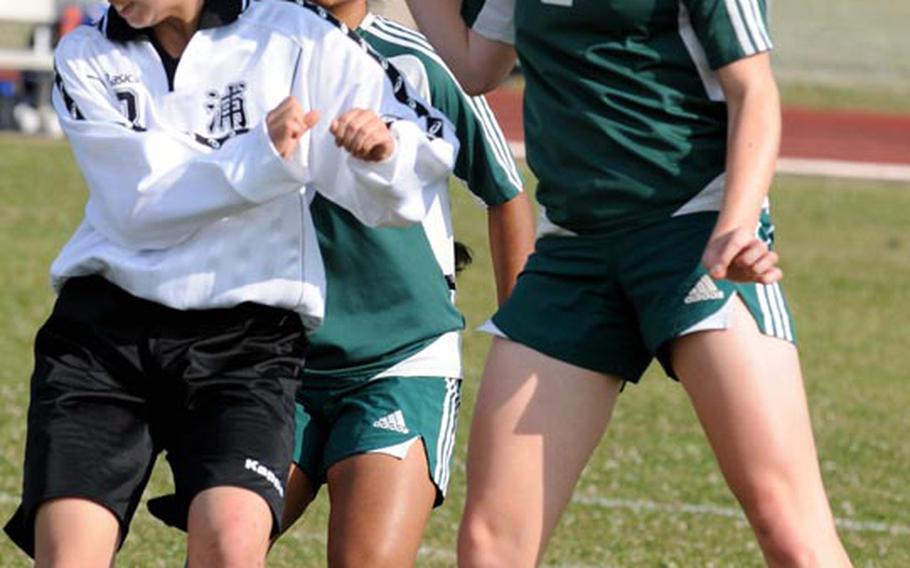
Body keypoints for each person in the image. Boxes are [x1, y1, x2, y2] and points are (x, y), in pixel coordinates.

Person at [2, 0, 459, 565]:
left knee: (231, 544)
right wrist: (262, 155)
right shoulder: (86, 52)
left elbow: (423, 146)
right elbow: (136, 203)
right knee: (69, 556)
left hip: (247, 341)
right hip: (105, 334)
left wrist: (381, 153)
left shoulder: (295, 36)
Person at [404, 0, 854, 566]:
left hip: (695, 234)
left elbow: (754, 90)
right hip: (572, 251)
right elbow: (476, 64)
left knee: (788, 527)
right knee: (491, 546)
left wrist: (737, 225)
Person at [146, 1, 536, 565]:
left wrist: (518, 345)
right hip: (274, 361)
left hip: (400, 363)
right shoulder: (247, 51)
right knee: (222, 550)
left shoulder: (423, 65)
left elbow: (506, 193)